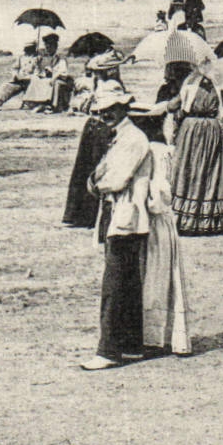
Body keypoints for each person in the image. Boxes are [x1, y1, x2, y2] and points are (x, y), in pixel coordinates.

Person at [80, 90, 152, 370]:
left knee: (115, 284)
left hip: (126, 216)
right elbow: (100, 172)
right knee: (128, 282)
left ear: (123, 107)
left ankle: (108, 350)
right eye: (100, 111)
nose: (104, 115)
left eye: (110, 109)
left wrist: (97, 185)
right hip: (120, 214)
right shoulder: (119, 137)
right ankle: (131, 345)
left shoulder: (132, 139)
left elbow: (116, 179)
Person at [135, 104, 191, 357]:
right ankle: (170, 335)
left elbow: (158, 193)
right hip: (166, 222)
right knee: (168, 278)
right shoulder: (167, 150)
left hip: (155, 221)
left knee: (154, 279)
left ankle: (153, 338)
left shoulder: (152, 152)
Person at [168, 63, 223, 234]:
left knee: (189, 169)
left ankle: (188, 217)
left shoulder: (190, 84)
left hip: (192, 129)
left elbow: (174, 106)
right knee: (211, 170)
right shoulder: (217, 87)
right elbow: (222, 104)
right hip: (211, 128)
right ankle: (211, 217)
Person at [63, 77, 128, 227]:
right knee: (88, 169)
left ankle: (86, 215)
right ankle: (82, 215)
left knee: (93, 169)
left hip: (98, 126)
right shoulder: (101, 83)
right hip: (97, 126)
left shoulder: (109, 84)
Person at [0, 43, 39, 110]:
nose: (26, 50)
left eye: (29, 48)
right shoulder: (21, 57)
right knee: (6, 86)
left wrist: (26, 78)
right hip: (19, 81)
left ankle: (27, 103)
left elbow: (37, 74)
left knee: (30, 100)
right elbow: (15, 68)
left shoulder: (38, 59)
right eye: (26, 48)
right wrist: (15, 75)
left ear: (33, 48)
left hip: (30, 83)